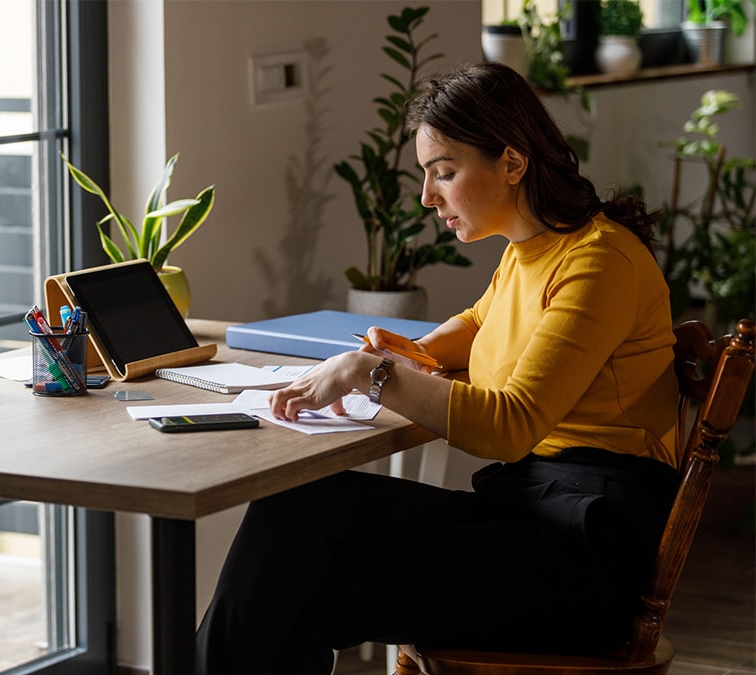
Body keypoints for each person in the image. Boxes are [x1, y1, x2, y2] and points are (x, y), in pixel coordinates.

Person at [196, 62, 680, 675]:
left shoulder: (599, 262)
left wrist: (369, 374)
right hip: (533, 510)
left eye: (444, 173)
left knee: (297, 594)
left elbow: (511, 426)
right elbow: (478, 325)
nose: (428, 197)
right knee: (294, 503)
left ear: (511, 163)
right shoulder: (531, 251)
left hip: (584, 555)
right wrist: (403, 352)